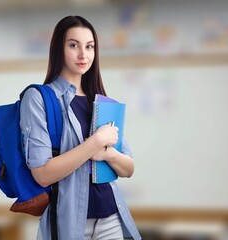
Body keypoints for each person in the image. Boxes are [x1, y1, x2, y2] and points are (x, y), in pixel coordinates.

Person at [20, 15, 141, 240]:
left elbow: (128, 168)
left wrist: (107, 154)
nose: (83, 54)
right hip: (69, 224)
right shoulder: (38, 98)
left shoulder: (102, 102)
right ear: (59, 49)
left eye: (90, 46)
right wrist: (95, 142)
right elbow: (43, 174)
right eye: (73, 45)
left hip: (111, 218)